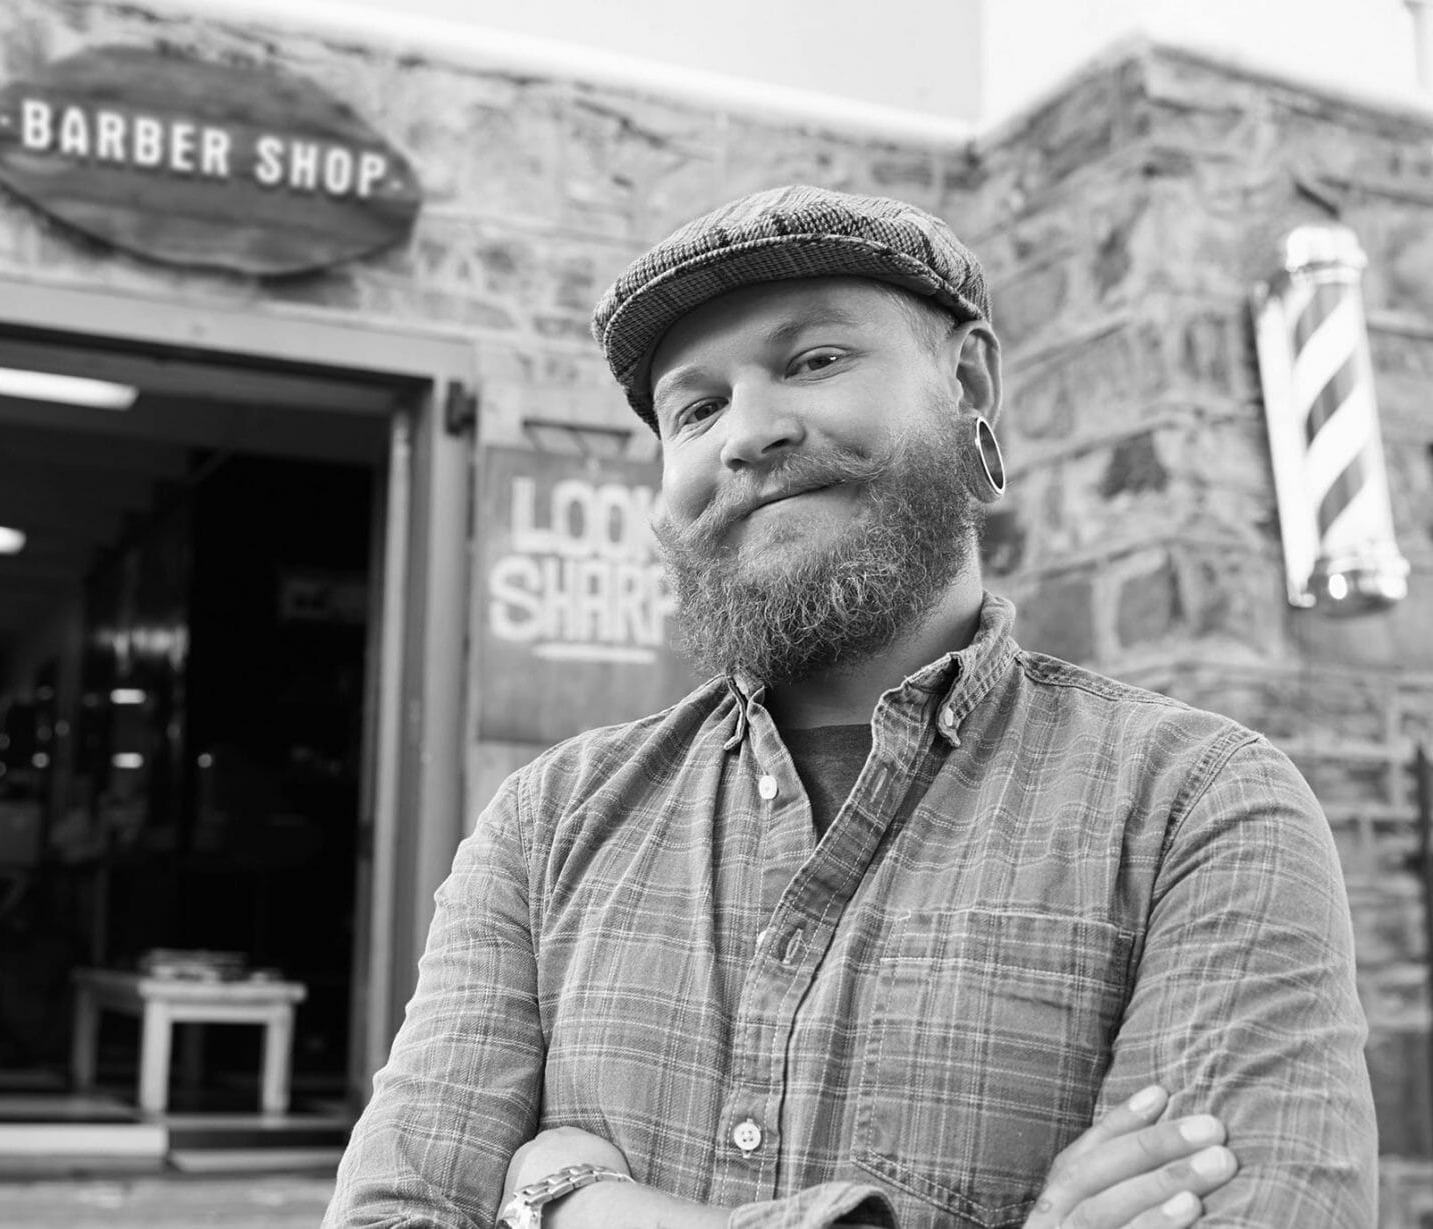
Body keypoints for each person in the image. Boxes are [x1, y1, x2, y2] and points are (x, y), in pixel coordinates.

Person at [323, 186, 1377, 1228]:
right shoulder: (546, 821)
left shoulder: (1198, 805)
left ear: (970, 382)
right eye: (697, 408)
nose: (749, 434)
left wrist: (573, 1204)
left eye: (813, 360)